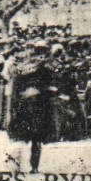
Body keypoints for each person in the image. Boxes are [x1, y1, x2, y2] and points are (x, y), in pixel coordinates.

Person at [9, 45, 57, 173]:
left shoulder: (21, 67)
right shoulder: (46, 69)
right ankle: (34, 167)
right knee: (36, 139)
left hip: (23, 106)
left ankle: (16, 165)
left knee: (21, 137)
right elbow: (50, 88)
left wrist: (15, 104)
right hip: (39, 107)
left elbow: (16, 88)